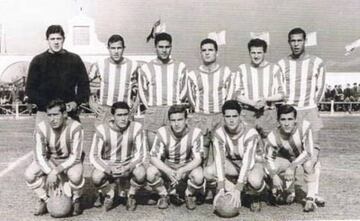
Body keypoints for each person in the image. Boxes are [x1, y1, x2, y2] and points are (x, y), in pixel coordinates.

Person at [278, 28, 325, 205]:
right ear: (289, 42)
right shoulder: (282, 64)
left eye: (299, 40)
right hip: (291, 112)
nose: (296, 44)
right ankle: (289, 190)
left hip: (310, 110)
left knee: (313, 153)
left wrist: (311, 106)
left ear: (305, 41)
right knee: (290, 150)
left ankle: (313, 193)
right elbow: (281, 89)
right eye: (293, 41)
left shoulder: (317, 62)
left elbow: (320, 88)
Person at [24, 99, 85, 216]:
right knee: (29, 174)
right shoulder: (41, 128)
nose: (52, 119)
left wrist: (56, 171)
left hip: (69, 160)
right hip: (50, 160)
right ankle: (45, 199)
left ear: (65, 114)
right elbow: (39, 156)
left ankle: (76, 198)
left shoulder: (76, 127)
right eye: (50, 115)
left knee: (76, 176)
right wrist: (50, 172)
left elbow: (76, 156)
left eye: (56, 115)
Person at [204, 100, 266, 212]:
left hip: (254, 164)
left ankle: (254, 196)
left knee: (255, 181)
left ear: (240, 116)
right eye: (228, 116)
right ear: (223, 117)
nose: (231, 120)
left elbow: (248, 163)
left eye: (234, 116)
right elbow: (219, 160)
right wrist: (221, 187)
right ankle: (232, 189)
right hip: (233, 164)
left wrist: (238, 188)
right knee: (208, 172)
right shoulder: (219, 133)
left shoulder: (250, 133)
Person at [264, 104, 325, 212]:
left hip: (307, 151)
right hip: (289, 156)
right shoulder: (273, 136)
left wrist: (292, 167)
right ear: (278, 121)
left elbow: (308, 152)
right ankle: (287, 190)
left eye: (290, 119)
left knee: (308, 164)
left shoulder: (305, 126)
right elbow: (268, 159)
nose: (287, 123)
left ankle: (311, 197)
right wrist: (274, 176)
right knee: (284, 199)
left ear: (295, 120)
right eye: (283, 119)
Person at [89, 101, 147, 211]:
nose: (123, 118)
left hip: (127, 163)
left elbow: (141, 154)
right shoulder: (102, 129)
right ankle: (109, 193)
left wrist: (128, 167)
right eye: (119, 115)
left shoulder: (136, 127)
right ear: (112, 116)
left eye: (126, 114)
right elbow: (94, 156)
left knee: (141, 173)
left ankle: (130, 195)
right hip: (109, 163)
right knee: (96, 177)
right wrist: (108, 168)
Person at [25, 25, 90, 123]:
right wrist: (49, 106)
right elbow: (30, 90)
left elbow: (84, 86)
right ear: (47, 40)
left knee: (71, 138)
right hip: (45, 113)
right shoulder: (37, 61)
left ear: (63, 39)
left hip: (68, 113)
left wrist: (76, 102)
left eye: (59, 38)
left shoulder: (75, 59)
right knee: (44, 138)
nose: (56, 42)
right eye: (52, 39)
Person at [146, 105, 204, 210]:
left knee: (199, 176)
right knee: (150, 172)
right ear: (169, 121)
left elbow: (198, 159)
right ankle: (164, 194)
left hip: (186, 165)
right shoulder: (162, 132)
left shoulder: (196, 132)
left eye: (180, 119)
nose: (176, 124)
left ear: (186, 120)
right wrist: (168, 171)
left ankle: (188, 194)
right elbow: (153, 157)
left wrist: (182, 170)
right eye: (173, 120)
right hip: (168, 164)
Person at [187, 38, 235, 164]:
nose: (207, 53)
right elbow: (192, 99)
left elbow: (229, 98)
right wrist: (200, 114)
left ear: (216, 53)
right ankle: (201, 181)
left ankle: (217, 182)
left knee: (219, 154)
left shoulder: (226, 72)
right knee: (200, 155)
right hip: (200, 118)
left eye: (210, 50)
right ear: (200, 53)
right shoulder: (193, 74)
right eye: (204, 50)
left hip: (219, 117)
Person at [138, 32, 188, 147]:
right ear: (155, 48)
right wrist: (149, 107)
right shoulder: (146, 68)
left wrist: (176, 104)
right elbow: (142, 91)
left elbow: (184, 88)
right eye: (161, 47)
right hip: (154, 111)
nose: (164, 50)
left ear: (171, 47)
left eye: (167, 47)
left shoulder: (180, 66)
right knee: (154, 151)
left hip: (173, 110)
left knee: (175, 150)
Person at [235, 38, 284, 138]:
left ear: (264, 52)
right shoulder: (242, 69)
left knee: (269, 146)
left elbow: (281, 94)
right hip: (248, 114)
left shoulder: (274, 68)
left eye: (259, 52)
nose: (256, 56)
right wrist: (252, 103)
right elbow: (237, 94)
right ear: (249, 53)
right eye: (253, 53)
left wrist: (266, 99)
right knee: (247, 145)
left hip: (268, 114)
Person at [88, 34, 139, 123]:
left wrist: (136, 103)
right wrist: (91, 102)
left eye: (119, 48)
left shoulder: (133, 65)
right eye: (113, 48)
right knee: (103, 136)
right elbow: (84, 83)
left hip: (125, 110)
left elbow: (143, 86)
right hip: (105, 110)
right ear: (108, 48)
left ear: (123, 48)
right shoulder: (99, 65)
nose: (116, 51)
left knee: (127, 137)